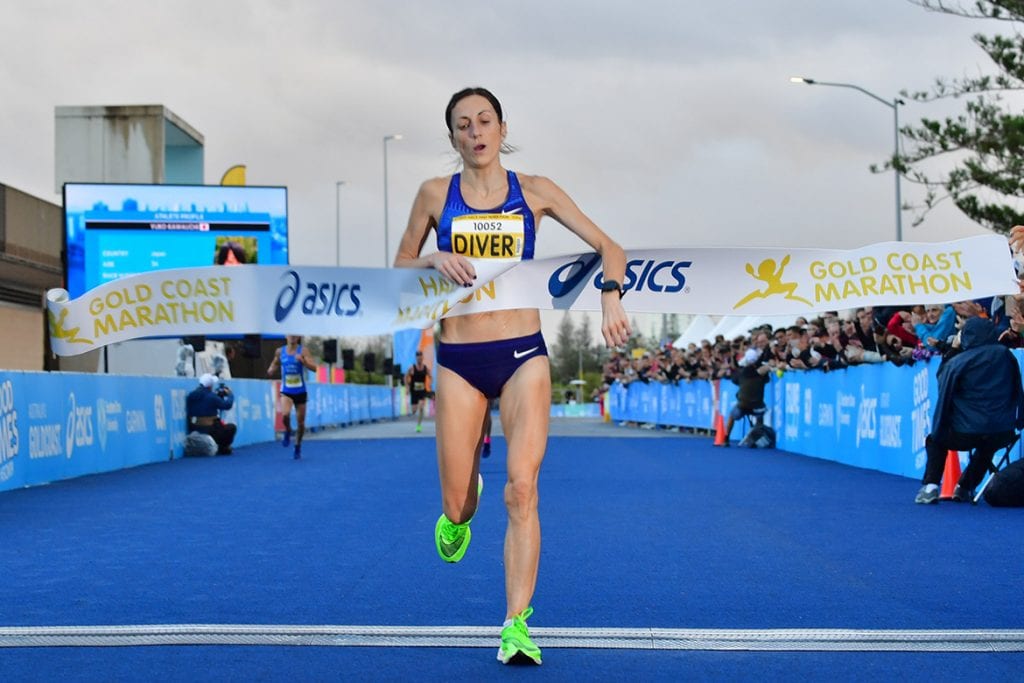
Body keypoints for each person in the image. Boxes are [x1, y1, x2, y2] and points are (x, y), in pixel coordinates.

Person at [393, 86, 631, 666]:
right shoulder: (434, 194)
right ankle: (464, 496)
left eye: (484, 121)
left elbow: (610, 246)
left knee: (522, 489)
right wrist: (431, 259)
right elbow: (399, 266)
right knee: (456, 511)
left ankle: (516, 624)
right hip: (459, 361)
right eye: (463, 126)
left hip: (524, 352)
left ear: (501, 128)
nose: (475, 133)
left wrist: (611, 296)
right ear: (452, 138)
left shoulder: (537, 193)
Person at [915, 317, 1024, 504]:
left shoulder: (958, 362)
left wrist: (954, 349)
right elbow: (1018, 389)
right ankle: (964, 487)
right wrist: (1019, 421)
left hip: (964, 432)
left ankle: (930, 487)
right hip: (1002, 432)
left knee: (936, 440)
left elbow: (943, 385)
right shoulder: (1007, 356)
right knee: (987, 444)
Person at [266, 335, 317, 459]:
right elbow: (274, 363)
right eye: (290, 334)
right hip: (287, 390)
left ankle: (298, 446)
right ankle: (288, 430)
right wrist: (271, 370)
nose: (292, 337)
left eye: (295, 335)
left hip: (300, 390)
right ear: (286, 336)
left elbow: (314, 368)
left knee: (301, 423)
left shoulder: (303, 351)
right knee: (285, 414)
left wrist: (303, 362)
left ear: (298, 337)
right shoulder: (280, 351)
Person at [716, 348, 770, 447]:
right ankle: (756, 439)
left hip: (743, 405)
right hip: (758, 405)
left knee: (732, 416)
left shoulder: (742, 373)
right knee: (760, 416)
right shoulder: (762, 373)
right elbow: (767, 380)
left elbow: (734, 379)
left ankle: (726, 438)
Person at [185, 373, 236, 455]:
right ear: (210, 386)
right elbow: (227, 405)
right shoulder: (212, 397)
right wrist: (230, 395)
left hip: (194, 428)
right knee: (231, 428)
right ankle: (223, 448)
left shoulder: (191, 395)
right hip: (210, 430)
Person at [404, 350, 432, 433]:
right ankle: (414, 409)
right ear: (416, 358)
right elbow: (405, 377)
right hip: (414, 391)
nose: (419, 359)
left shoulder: (426, 368)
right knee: (414, 410)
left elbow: (430, 377)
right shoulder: (412, 368)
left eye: (421, 357)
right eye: (418, 358)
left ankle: (419, 425)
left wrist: (429, 385)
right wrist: (407, 387)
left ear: (422, 358)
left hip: (422, 391)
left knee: (421, 407)